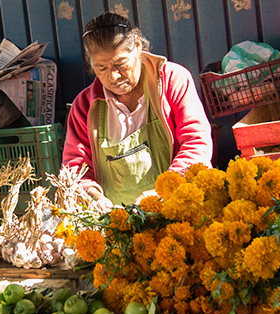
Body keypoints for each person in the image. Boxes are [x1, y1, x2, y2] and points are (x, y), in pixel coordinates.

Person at [62, 12, 212, 210]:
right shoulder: (83, 107)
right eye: (101, 68)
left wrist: (163, 192)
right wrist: (93, 196)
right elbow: (75, 168)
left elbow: (196, 143)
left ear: (138, 48)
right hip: (117, 224)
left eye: (120, 64)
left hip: (182, 208)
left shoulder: (172, 80)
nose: (113, 76)